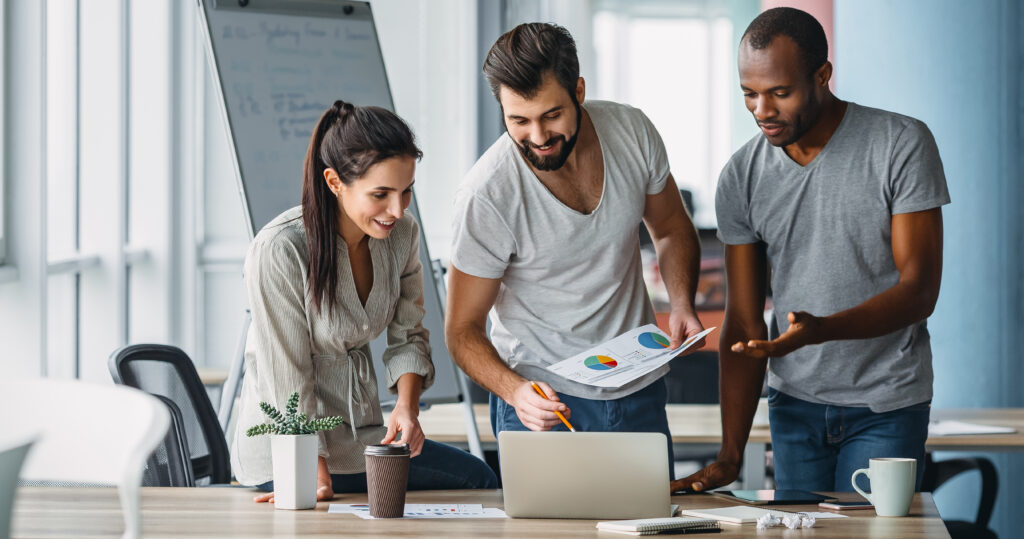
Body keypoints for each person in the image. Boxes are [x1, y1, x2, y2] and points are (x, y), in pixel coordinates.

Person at [673, 7, 948, 494]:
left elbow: (919, 290)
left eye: (780, 93)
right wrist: (730, 454)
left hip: (886, 404)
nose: (762, 110)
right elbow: (743, 322)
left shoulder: (899, 143)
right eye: (749, 95)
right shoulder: (742, 176)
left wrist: (821, 330)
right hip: (794, 408)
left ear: (822, 76)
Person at [444, 23, 704, 476]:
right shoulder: (486, 194)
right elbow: (462, 330)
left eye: (551, 115)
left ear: (578, 90)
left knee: (649, 527)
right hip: (545, 402)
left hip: (638, 388)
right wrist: (515, 391)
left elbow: (671, 227)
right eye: (518, 121)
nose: (538, 136)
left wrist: (681, 302)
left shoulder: (631, 131)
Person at [232, 100, 497, 501]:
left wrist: (406, 409)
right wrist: (310, 473)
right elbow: (286, 377)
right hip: (287, 450)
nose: (397, 209)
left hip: (361, 438)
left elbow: (408, 334)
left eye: (406, 191)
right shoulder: (279, 249)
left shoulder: (402, 235)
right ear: (335, 182)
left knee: (478, 477)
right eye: (381, 194)